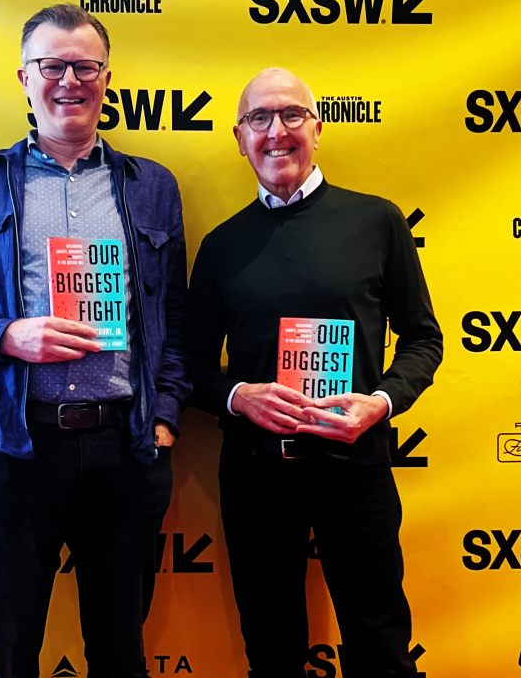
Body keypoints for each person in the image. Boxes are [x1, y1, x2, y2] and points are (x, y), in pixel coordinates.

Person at [0, 4, 189, 678]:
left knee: (121, 656)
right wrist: (7, 334)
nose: (69, 79)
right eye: (52, 65)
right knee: (4, 660)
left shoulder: (151, 188)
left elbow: (174, 316)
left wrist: (166, 414)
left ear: (106, 77)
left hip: (126, 448)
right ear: (25, 79)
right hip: (13, 447)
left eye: (84, 66)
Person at [185, 68, 442, 678]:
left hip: (355, 467)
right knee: (271, 652)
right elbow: (188, 364)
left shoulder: (378, 222)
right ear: (239, 137)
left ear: (317, 129)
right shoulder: (221, 245)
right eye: (259, 119)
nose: (276, 132)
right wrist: (239, 396)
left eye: (291, 115)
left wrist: (380, 402)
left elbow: (424, 339)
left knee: (380, 643)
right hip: (255, 474)